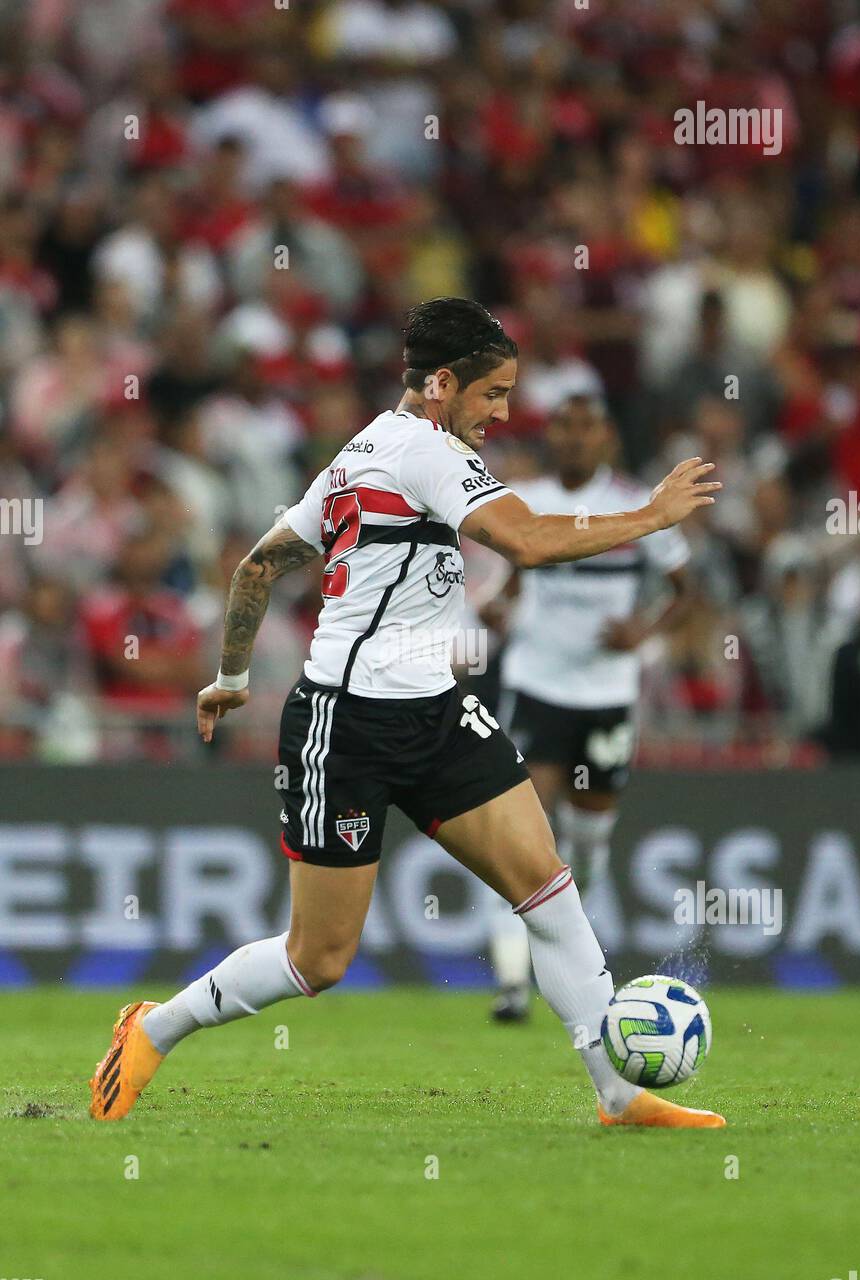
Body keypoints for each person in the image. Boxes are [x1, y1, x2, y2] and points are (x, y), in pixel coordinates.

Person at [89, 297, 724, 1129]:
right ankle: (154, 1028)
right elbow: (527, 541)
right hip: (346, 725)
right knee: (319, 959)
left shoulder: (363, 453)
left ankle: (617, 1093)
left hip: (437, 713)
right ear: (442, 385)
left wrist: (232, 675)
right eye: (491, 395)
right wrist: (651, 515)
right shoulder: (424, 451)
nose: (501, 414)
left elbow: (258, 566)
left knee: (549, 891)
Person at [481, 394, 691, 1021]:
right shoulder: (526, 498)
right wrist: (501, 605)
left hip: (606, 693)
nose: (573, 439)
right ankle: (515, 984)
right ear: (552, 437)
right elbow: (516, 578)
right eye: (563, 427)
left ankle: (570, 946)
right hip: (537, 686)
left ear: (606, 437)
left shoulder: (637, 505)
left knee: (589, 839)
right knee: (524, 831)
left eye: (586, 428)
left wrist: (644, 631)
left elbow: (685, 590)